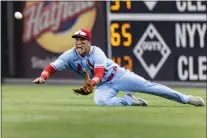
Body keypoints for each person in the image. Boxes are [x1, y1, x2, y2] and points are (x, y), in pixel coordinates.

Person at [33, 29, 205, 107]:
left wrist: (91, 84)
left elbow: (99, 73)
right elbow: (52, 67)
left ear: (89, 42)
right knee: (101, 102)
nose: (79, 42)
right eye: (77, 39)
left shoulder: (96, 52)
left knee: (152, 88)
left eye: (82, 40)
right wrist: (43, 77)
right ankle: (130, 100)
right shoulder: (70, 55)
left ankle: (186, 99)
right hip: (102, 86)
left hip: (118, 76)